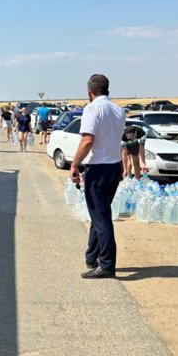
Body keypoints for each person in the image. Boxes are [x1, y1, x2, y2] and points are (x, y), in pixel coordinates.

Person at [70, 74, 126, 279]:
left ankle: (107, 264)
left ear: (89, 92)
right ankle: (92, 255)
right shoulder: (119, 110)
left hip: (99, 168)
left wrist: (75, 164)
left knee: (101, 218)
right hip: (114, 167)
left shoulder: (92, 109)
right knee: (99, 214)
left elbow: (87, 141)